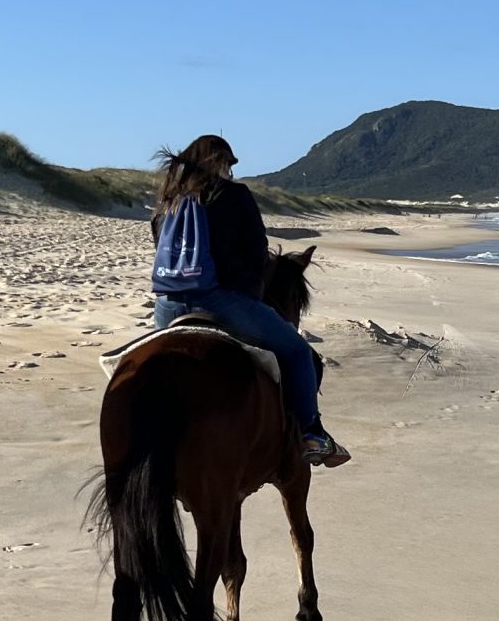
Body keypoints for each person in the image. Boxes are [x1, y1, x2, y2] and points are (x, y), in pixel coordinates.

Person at [147, 134, 351, 468]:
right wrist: (251, 291)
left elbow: (159, 246)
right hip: (219, 302)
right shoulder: (234, 196)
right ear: (217, 162)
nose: (229, 171)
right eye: (227, 164)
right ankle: (312, 434)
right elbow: (257, 252)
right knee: (299, 353)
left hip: (167, 305)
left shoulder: (168, 200)